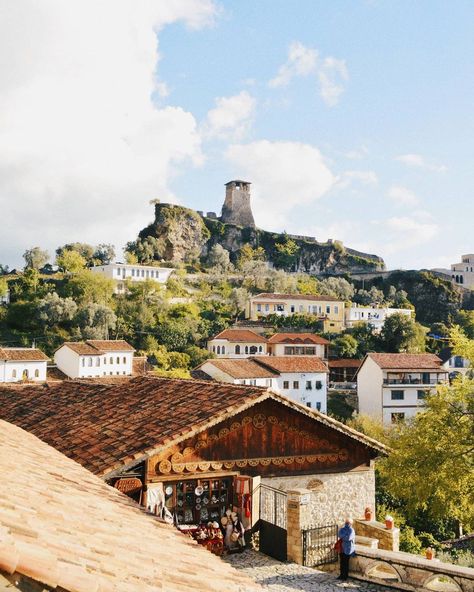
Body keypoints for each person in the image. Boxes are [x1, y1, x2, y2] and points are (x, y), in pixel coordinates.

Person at [338, 516, 355, 581]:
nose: (347, 523)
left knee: (346, 563)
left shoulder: (351, 530)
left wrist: (343, 536)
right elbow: (339, 535)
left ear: (350, 523)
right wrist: (345, 535)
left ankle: (345, 576)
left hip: (348, 549)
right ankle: (341, 575)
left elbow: (349, 538)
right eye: (346, 522)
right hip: (342, 548)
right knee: (342, 563)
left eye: (348, 522)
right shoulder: (342, 529)